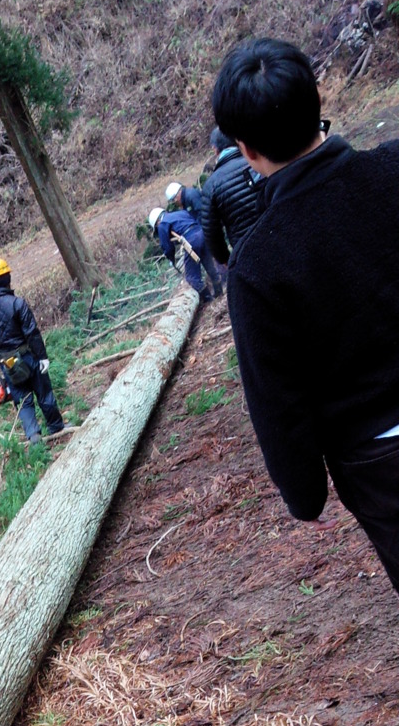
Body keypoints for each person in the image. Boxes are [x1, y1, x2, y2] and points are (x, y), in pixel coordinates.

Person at [213, 35, 399, 591]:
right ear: (318, 103)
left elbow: (278, 403)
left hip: (381, 462)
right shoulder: (394, 167)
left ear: (244, 148)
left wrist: (304, 492)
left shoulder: (257, 265)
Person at [0, 256, 74, 445]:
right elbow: (32, 333)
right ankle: (56, 426)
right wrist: (42, 357)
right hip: (28, 356)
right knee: (43, 392)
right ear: (7, 279)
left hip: (8, 363)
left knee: (22, 400)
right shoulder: (17, 303)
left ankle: (33, 434)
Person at [200, 126, 263, 264]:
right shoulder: (259, 160)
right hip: (280, 236)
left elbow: (211, 232)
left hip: (247, 254)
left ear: (215, 150)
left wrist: (225, 259)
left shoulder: (211, 185)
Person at [149, 205, 222, 301]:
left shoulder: (162, 224)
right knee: (209, 266)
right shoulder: (180, 213)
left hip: (192, 240)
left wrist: (172, 259)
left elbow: (167, 247)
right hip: (202, 234)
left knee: (192, 277)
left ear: (157, 222)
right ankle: (219, 292)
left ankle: (209, 300)